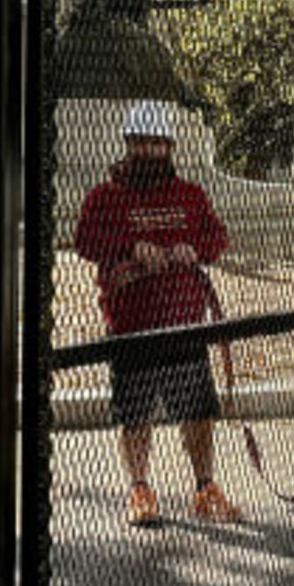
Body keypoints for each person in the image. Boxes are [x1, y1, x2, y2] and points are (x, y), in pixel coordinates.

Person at [72, 101, 240, 528]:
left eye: (157, 143)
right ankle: (140, 489)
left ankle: (204, 486)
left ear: (169, 146)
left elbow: (216, 237)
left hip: (184, 323)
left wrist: (194, 249)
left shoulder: (190, 194)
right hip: (132, 325)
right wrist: (131, 248)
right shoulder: (106, 197)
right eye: (141, 143)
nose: (149, 150)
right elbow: (85, 241)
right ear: (128, 145)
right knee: (135, 415)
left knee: (198, 411)